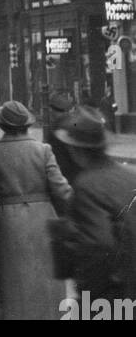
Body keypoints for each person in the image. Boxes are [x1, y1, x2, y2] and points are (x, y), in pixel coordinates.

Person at [0, 99, 72, 320]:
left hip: (9, 220)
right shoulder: (43, 150)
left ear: (2, 126)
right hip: (43, 219)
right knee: (46, 280)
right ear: (27, 124)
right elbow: (61, 189)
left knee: (13, 278)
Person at [53, 105, 136, 303]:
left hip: (114, 294)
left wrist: (89, 297)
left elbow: (98, 245)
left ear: (74, 149)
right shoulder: (130, 175)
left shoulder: (87, 185)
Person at [47, 93, 77, 183]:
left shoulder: (56, 128)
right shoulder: (74, 123)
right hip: (76, 173)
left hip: (63, 174)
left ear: (52, 110)